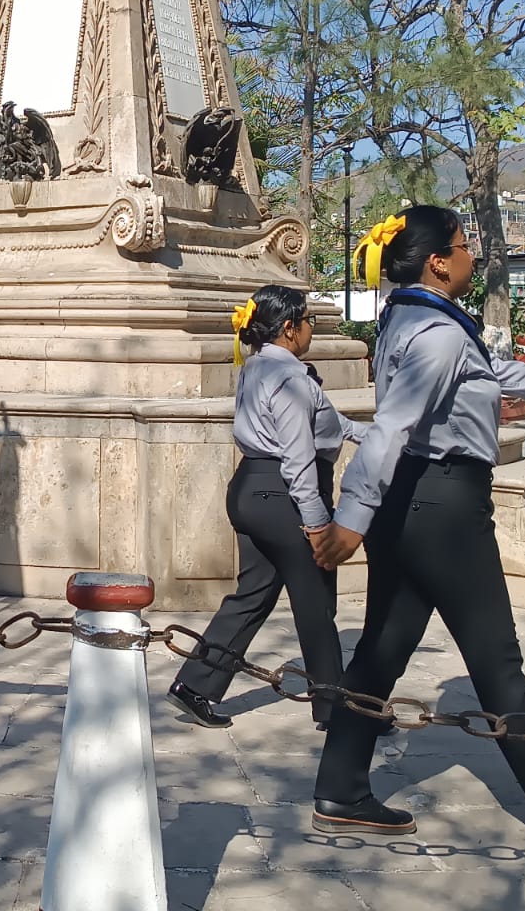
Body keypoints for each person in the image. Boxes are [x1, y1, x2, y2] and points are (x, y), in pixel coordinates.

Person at [310, 206, 525, 844]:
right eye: (465, 246)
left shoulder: (414, 321)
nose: (473, 255)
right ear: (438, 261)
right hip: (443, 505)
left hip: (415, 504)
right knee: (497, 660)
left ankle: (340, 788)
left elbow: (492, 376)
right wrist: (351, 519)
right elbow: (392, 426)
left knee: (380, 654)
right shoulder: (436, 332)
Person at [168, 285, 364, 731]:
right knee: (316, 606)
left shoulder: (257, 367)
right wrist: (317, 526)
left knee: (254, 593)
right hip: (285, 495)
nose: (313, 327)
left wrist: (377, 437)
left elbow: (329, 421)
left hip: (250, 489)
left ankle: (195, 684)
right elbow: (298, 461)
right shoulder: (291, 377)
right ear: (290, 328)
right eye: (308, 319)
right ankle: (335, 708)